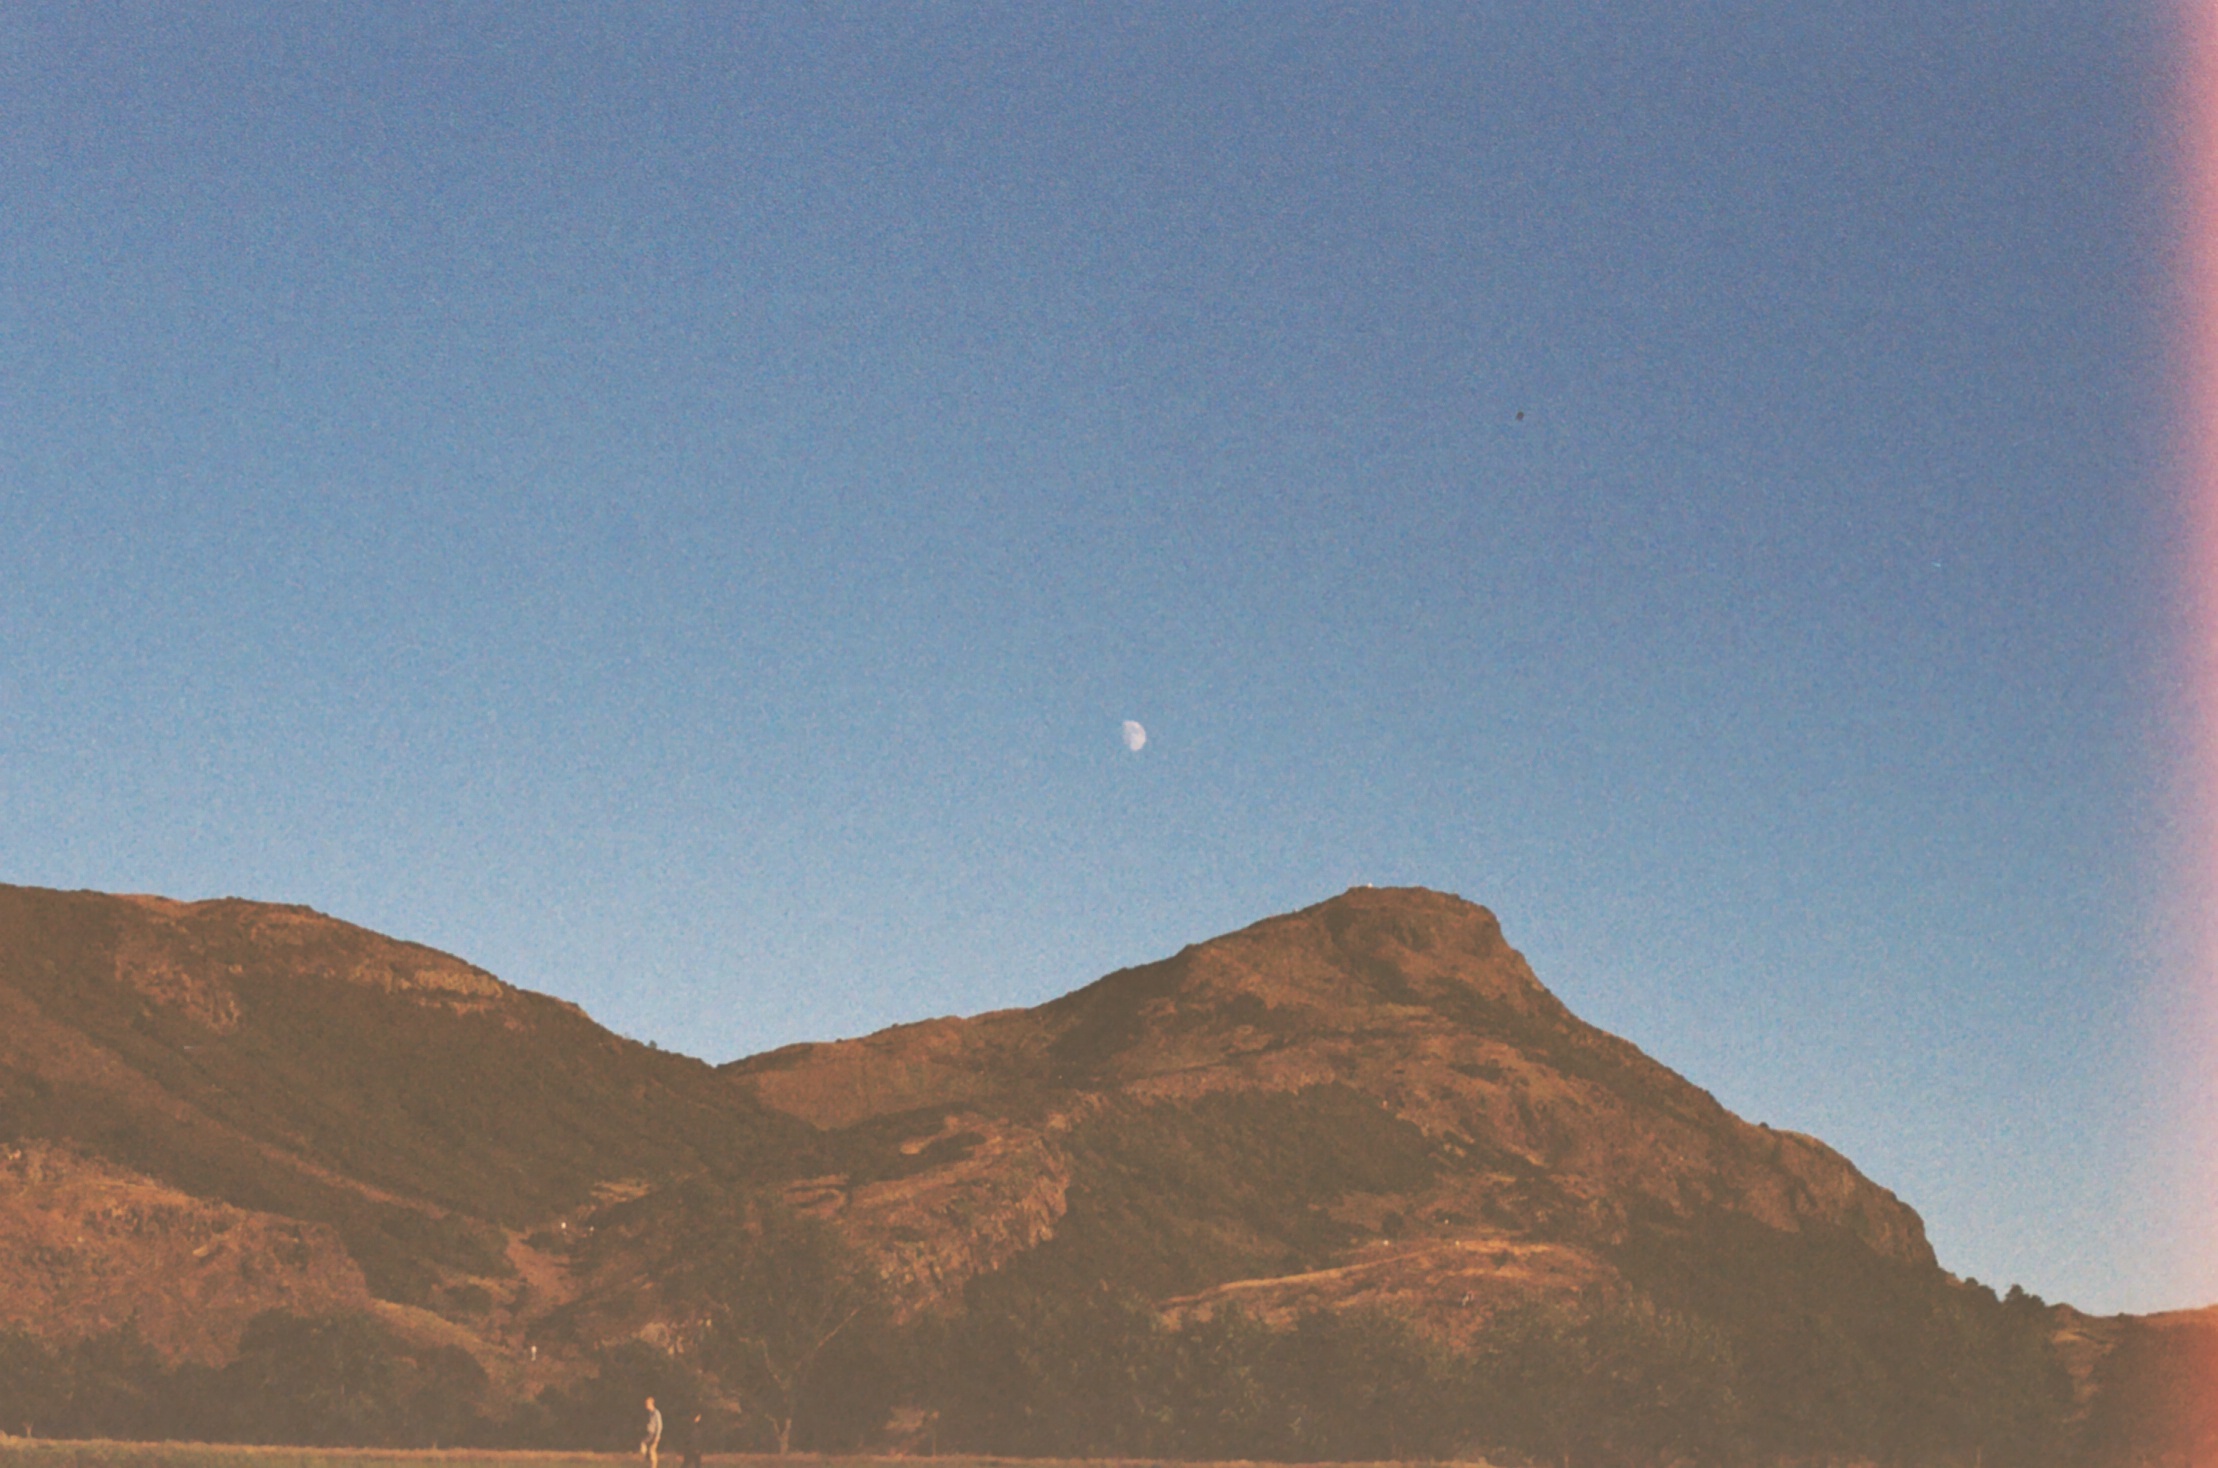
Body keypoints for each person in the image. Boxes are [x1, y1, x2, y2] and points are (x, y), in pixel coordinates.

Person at [640, 1395, 663, 1467]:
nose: (646, 1405)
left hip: (654, 1434)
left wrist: (657, 1436)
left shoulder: (656, 1413)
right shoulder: (650, 1413)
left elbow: (659, 1425)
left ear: (651, 1404)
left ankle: (653, 1466)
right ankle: (648, 1461)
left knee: (652, 1450)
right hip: (649, 1434)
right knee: (643, 1445)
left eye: (647, 1404)